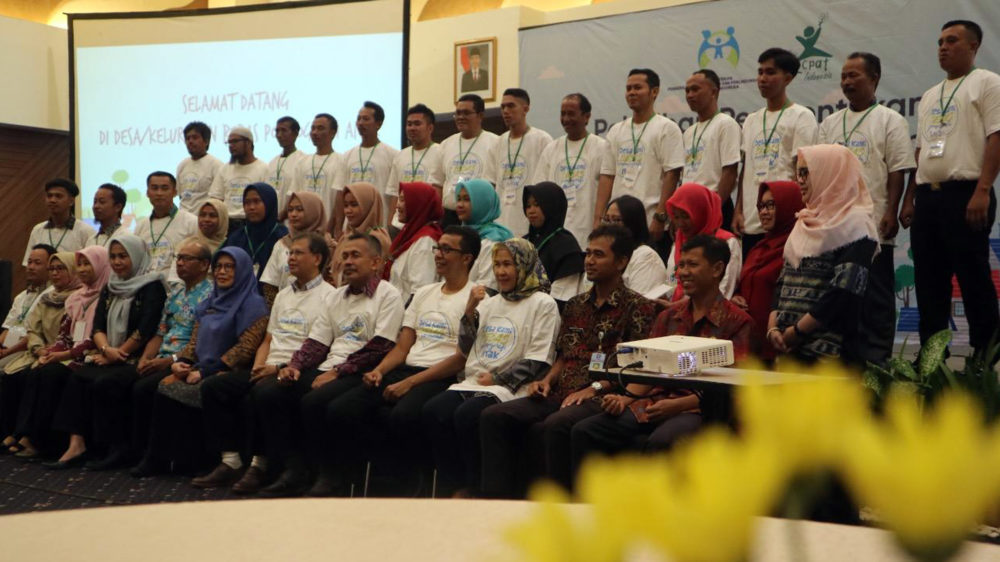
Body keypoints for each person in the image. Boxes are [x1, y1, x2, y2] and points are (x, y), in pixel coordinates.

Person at [480, 225, 657, 498]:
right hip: (561, 390)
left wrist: (593, 388)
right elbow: (565, 355)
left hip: (601, 394)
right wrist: (546, 380)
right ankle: (497, 502)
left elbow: (634, 368)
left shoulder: (638, 307)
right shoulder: (575, 304)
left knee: (555, 425)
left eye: (598, 255)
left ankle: (561, 507)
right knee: (494, 416)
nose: (589, 260)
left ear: (621, 262)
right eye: (588, 253)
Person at [571, 235, 752, 484]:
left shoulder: (737, 322)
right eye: (681, 265)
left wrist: (677, 406)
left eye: (692, 265)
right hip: (652, 401)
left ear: (717, 269)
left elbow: (731, 389)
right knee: (586, 430)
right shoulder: (669, 316)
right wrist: (625, 398)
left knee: (661, 441)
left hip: (699, 409)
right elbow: (649, 369)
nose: (683, 272)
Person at [315, 226, 480, 496]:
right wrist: (380, 371)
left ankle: (411, 483)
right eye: (437, 248)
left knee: (403, 415)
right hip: (407, 368)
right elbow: (403, 347)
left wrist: (410, 383)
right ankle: (351, 481)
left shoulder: (476, 297)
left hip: (440, 375)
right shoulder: (424, 293)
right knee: (342, 408)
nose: (438, 255)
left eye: (446, 249)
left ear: (466, 258)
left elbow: (461, 358)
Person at [262, 234, 404, 497]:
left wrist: (337, 372)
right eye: (344, 256)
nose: (347, 262)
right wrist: (295, 365)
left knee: (315, 401)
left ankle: (331, 475)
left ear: (375, 262)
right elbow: (317, 341)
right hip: (332, 367)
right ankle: (294, 469)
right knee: (273, 392)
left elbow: (381, 346)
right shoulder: (337, 296)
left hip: (364, 370)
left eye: (355, 256)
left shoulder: (388, 295)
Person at [423, 238, 559, 497]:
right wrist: (469, 312)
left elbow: (539, 359)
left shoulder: (543, 303)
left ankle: (476, 488)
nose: (501, 272)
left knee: (467, 415)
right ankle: (453, 485)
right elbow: (465, 348)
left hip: (511, 387)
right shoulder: (489, 302)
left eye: (508, 264)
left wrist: (498, 378)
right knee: (434, 410)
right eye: (497, 265)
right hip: (475, 381)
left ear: (524, 265)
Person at [202, 233, 337, 492]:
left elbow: (319, 346)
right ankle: (230, 461)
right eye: (290, 253)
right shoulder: (283, 295)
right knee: (214, 387)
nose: (291, 258)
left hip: (297, 368)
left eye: (298, 253)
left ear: (317, 258)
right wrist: (258, 366)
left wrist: (277, 368)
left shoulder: (329, 296)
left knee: (262, 393)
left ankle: (262, 465)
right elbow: (268, 338)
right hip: (268, 365)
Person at [900, 20, 1000, 356]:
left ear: (974, 46)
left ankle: (984, 357)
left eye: (952, 40)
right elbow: (921, 150)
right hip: (928, 197)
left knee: (973, 279)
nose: (943, 47)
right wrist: (910, 198)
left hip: (967, 193)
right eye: (940, 41)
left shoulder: (987, 83)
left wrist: (983, 190)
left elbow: (996, 137)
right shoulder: (931, 95)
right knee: (929, 282)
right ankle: (932, 360)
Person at [818, 52, 915, 364]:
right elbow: (819, 173)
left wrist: (890, 211)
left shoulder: (890, 120)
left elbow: (897, 170)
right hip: (836, 230)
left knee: (875, 303)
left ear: (874, 78)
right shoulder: (830, 123)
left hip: (872, 228)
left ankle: (876, 368)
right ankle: (843, 367)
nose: (846, 82)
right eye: (843, 76)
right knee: (840, 300)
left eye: (854, 75)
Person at [47, 234, 167, 470]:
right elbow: (97, 326)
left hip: (137, 357)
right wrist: (105, 349)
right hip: (109, 352)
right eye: (113, 257)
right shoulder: (111, 286)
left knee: (108, 383)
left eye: (123, 256)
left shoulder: (152, 287)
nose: (117, 262)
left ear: (136, 256)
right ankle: (77, 444)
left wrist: (117, 353)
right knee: (78, 377)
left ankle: (117, 447)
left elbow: (146, 328)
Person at [768, 144, 879, 365]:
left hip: (830, 361)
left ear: (830, 173)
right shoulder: (805, 220)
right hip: (789, 351)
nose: (799, 180)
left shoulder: (856, 224)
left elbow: (845, 291)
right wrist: (773, 328)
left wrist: (798, 332)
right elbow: (783, 282)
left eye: (806, 172)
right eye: (798, 173)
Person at [173, 247, 268, 487]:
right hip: (204, 366)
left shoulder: (254, 305)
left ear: (243, 270)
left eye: (229, 267)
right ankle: (176, 460)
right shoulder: (209, 302)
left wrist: (205, 371)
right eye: (218, 267)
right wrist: (182, 363)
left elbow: (245, 349)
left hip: (236, 369)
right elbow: (194, 341)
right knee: (161, 385)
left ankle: (230, 461)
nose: (222, 272)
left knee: (213, 387)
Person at [11, 246, 110, 459]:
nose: (82, 269)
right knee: (39, 371)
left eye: (87, 264)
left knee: (50, 373)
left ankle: (43, 442)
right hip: (68, 354)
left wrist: (63, 355)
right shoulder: (77, 298)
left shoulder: (106, 297)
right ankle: (27, 435)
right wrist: (50, 353)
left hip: (88, 355)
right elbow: (64, 335)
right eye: (80, 264)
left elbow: (94, 337)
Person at [126, 238, 213, 476]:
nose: (180, 263)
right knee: (125, 379)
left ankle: (157, 457)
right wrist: (145, 358)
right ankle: (131, 450)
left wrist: (169, 361)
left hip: (185, 360)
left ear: (204, 264)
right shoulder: (175, 292)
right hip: (162, 356)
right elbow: (160, 332)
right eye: (178, 258)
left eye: (187, 259)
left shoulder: (210, 295)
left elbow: (201, 341)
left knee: (146, 388)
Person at [734, 48, 818, 258]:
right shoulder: (751, 120)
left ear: (787, 78)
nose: (762, 78)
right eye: (760, 72)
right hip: (752, 220)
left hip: (785, 221)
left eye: (770, 72)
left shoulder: (801, 116)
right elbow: (746, 169)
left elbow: (804, 170)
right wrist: (738, 209)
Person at [597, 68, 685, 248]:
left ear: (654, 92)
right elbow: (607, 176)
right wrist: (598, 219)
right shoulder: (616, 130)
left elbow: (671, 175)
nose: (631, 92)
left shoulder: (667, 128)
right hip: (617, 226)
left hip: (650, 223)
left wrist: (660, 217)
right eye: (628, 88)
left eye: (637, 87)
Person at [1, 251, 75, 455]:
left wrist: (51, 351)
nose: (55, 273)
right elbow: (33, 330)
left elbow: (71, 335)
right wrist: (39, 349)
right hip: (39, 351)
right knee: (11, 376)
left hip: (64, 354)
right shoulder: (47, 298)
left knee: (34, 375)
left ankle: (29, 437)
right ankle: (11, 432)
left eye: (61, 268)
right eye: (53, 269)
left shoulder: (77, 298)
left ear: (72, 270)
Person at [732, 181, 804, 361]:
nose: (764, 212)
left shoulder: (798, 248)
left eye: (771, 205)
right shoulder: (758, 248)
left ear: (788, 206)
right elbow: (745, 284)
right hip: (747, 346)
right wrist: (737, 297)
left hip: (778, 346)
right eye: (761, 206)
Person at [533, 93, 612, 247]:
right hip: (555, 236)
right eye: (563, 114)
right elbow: (540, 192)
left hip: (589, 231)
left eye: (571, 114)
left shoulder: (601, 147)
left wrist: (599, 222)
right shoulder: (551, 149)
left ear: (586, 117)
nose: (566, 119)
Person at [682, 69, 741, 229]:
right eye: (687, 91)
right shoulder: (688, 132)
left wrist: (714, 209)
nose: (690, 95)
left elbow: (730, 172)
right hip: (688, 210)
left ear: (714, 92)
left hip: (715, 207)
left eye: (695, 89)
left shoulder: (726, 124)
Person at [490, 88, 553, 236]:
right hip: (501, 223)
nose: (505, 111)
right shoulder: (498, 143)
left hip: (528, 223)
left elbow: (547, 188)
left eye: (511, 106)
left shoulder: (542, 140)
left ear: (525, 109)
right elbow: (491, 184)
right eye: (503, 107)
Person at [664, 183, 742, 300]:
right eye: (676, 217)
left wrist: (679, 306)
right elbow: (671, 281)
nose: (680, 223)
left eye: (685, 216)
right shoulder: (680, 240)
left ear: (701, 212)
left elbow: (722, 292)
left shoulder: (727, 243)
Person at [261, 191, 334, 299]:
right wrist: (280, 305)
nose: (293, 214)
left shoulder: (329, 246)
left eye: (299, 210)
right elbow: (270, 284)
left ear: (313, 211)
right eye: (290, 210)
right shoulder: (282, 244)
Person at [440, 94, 499, 226]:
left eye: (466, 113)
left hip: (479, 216)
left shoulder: (495, 143)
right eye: (458, 113)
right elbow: (439, 183)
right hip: (449, 216)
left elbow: (494, 185)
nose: (461, 117)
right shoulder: (446, 144)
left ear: (480, 115)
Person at [523, 182, 585, 305]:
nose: (531, 211)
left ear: (552, 206)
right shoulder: (524, 242)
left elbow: (563, 298)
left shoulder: (566, 246)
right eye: (528, 206)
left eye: (537, 205)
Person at [134, 171, 198, 284]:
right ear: (147, 193)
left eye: (165, 188)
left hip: (178, 288)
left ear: (175, 192)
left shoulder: (191, 222)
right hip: (144, 287)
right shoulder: (141, 225)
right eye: (154, 188)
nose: (159, 193)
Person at [386, 104, 445, 226]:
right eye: (409, 124)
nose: (412, 128)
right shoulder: (400, 155)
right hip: (399, 224)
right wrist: (389, 223)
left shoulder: (441, 152)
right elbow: (394, 193)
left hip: (425, 223)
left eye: (417, 124)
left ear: (430, 128)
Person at [342, 102, 399, 228]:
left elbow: (394, 194)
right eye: (359, 119)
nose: (360, 123)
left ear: (378, 124)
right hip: (351, 224)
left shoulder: (393, 155)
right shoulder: (347, 155)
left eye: (366, 119)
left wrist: (390, 224)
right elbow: (342, 192)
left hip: (378, 223)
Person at [602, 195, 670, 299]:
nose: (609, 226)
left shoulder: (645, 256)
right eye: (606, 220)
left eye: (616, 220)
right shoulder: (602, 255)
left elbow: (640, 304)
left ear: (633, 223)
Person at [222, 183, 289, 288]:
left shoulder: (284, 238)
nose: (251, 207)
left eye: (257, 201)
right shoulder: (236, 238)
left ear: (269, 203)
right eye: (247, 203)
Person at [385, 182, 443, 304]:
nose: (397, 205)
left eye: (403, 200)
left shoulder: (426, 241)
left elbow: (420, 291)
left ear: (418, 203)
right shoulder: (409, 233)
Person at [0, 245, 55, 372]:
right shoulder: (21, 296)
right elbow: (8, 328)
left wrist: (7, 352)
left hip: (28, 349)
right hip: (9, 346)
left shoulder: (52, 296)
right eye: (29, 262)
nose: (31, 267)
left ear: (50, 267)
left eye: (37, 263)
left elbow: (35, 336)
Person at [330, 183, 391, 286]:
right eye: (345, 205)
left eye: (354, 205)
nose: (348, 211)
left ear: (368, 206)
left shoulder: (378, 239)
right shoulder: (346, 237)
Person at [208, 126, 269, 230]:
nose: (231, 146)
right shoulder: (224, 169)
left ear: (248, 143)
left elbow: (268, 200)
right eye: (229, 143)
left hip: (253, 223)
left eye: (235, 141)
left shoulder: (264, 168)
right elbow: (216, 198)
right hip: (227, 224)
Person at [456, 179, 513, 290]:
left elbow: (487, 287)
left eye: (467, 199)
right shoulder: (458, 236)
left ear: (482, 203)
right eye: (459, 199)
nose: (460, 205)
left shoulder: (492, 241)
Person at [23, 179, 95, 265]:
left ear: (71, 201)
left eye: (58, 196)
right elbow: (28, 264)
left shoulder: (85, 231)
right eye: (49, 196)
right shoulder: (38, 230)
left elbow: (91, 265)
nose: (52, 200)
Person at [293, 113, 345, 225]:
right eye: (313, 128)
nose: (315, 132)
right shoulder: (302, 162)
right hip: (304, 225)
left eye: (320, 128)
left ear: (333, 133)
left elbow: (339, 198)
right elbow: (295, 196)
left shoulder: (341, 161)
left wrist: (334, 226)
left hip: (328, 225)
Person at [176, 121, 224, 215]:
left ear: (206, 141)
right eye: (187, 138)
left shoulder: (216, 165)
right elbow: (181, 196)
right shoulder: (182, 165)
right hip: (183, 218)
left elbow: (218, 198)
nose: (190, 141)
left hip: (204, 219)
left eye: (195, 137)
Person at [267, 116, 309, 213]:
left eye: (284, 130)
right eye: (277, 131)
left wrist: (283, 214)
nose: (279, 135)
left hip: (292, 216)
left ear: (295, 133)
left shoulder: (303, 160)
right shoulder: (272, 162)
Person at [84, 183, 127, 248]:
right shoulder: (91, 240)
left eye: (102, 202)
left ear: (118, 207)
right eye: (95, 202)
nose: (96, 206)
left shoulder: (125, 237)